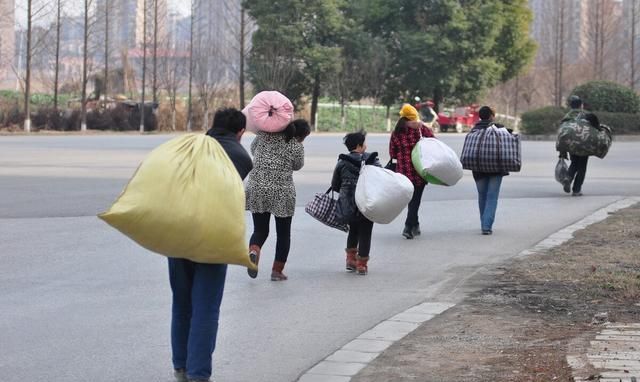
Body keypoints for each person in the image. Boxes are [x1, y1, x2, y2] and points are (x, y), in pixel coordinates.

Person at [169, 108, 253, 382]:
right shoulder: (241, 157)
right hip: (213, 236)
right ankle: (198, 374)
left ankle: (180, 367)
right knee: (205, 306)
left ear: (212, 125)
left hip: (178, 231)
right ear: (240, 132)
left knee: (182, 302)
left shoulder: (188, 147)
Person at [245, 119, 308, 281]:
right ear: (300, 135)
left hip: (257, 187)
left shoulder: (263, 136)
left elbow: (253, 150)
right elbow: (298, 165)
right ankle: (277, 271)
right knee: (283, 234)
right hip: (282, 191)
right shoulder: (295, 145)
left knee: (260, 230)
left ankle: (253, 250)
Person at [332, 130, 381, 275]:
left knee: (353, 230)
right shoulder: (372, 160)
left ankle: (350, 260)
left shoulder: (342, 162)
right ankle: (362, 264)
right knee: (365, 232)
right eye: (364, 142)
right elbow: (381, 178)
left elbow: (335, 184)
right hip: (367, 202)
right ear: (360, 145)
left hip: (348, 204)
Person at [389, 103, 435, 239]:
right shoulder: (421, 130)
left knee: (412, 200)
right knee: (415, 200)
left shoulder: (397, 132)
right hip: (419, 171)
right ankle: (408, 226)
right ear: (414, 117)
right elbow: (434, 144)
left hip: (403, 172)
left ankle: (415, 224)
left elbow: (392, 153)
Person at [469, 106, 511, 235]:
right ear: (492, 116)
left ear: (480, 116)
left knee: (482, 196)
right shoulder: (499, 128)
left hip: (478, 169)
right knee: (492, 196)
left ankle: (484, 222)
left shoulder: (474, 130)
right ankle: (486, 226)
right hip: (496, 168)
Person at [558, 95, 597, 196]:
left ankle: (568, 178)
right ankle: (576, 190)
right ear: (581, 105)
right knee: (582, 167)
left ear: (571, 106)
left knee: (574, 163)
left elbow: (562, 133)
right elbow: (596, 127)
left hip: (571, 144)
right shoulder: (587, 115)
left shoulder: (566, 117)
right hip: (584, 144)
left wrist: (562, 151)